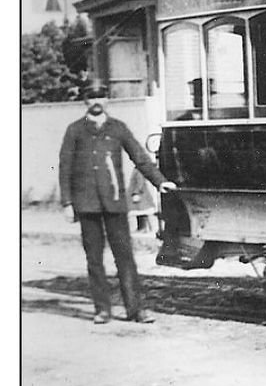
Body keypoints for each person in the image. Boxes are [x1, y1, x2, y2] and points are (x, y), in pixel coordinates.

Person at [58, 84, 177, 324]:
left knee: (125, 257)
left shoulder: (118, 128)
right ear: (85, 102)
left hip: (114, 203)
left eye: (100, 96)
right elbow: (65, 167)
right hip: (87, 204)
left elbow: (140, 157)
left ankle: (136, 310)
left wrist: (160, 182)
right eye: (91, 97)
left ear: (107, 100)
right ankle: (102, 310)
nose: (96, 101)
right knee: (94, 259)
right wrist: (67, 202)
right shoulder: (75, 131)